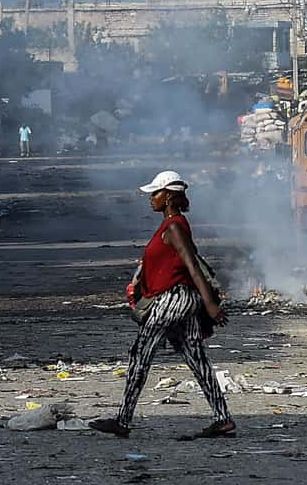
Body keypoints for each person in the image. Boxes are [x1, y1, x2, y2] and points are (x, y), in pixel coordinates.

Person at [90, 171, 234, 439]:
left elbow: (192, 266)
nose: (151, 199)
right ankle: (223, 418)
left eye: (155, 193)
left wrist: (211, 305)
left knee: (140, 355)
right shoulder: (173, 225)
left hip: (173, 300)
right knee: (196, 359)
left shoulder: (174, 227)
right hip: (181, 300)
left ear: (168, 196)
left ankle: (123, 420)